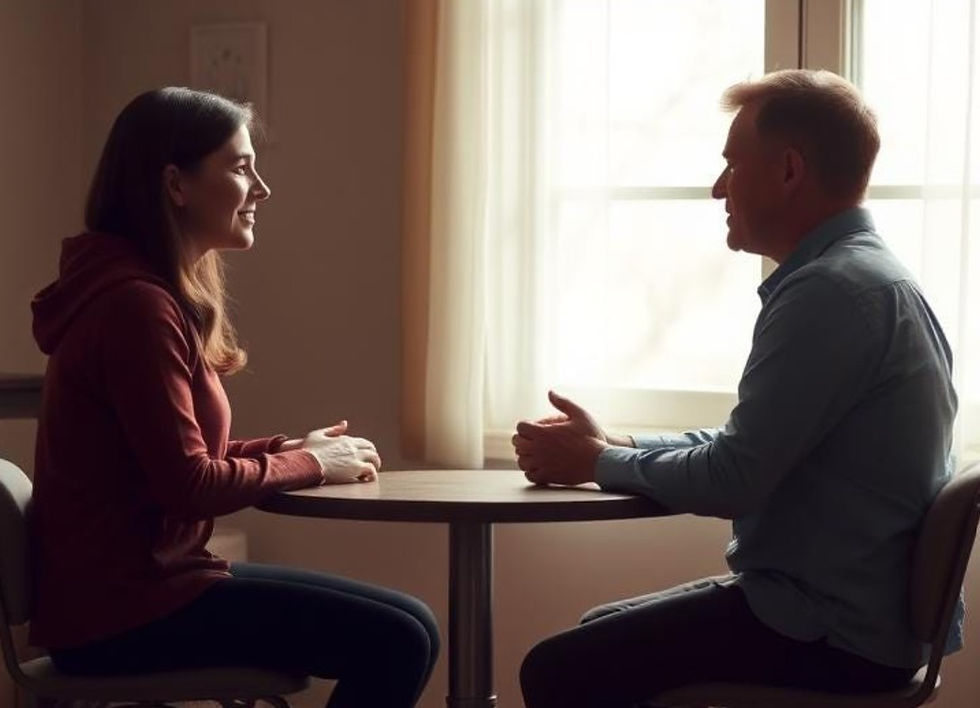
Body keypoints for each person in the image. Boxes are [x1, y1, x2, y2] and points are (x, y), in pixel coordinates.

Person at [513, 69, 962, 707]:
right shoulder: (865, 278)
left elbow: (734, 478)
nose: (718, 187)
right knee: (594, 639)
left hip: (831, 631)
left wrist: (598, 462)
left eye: (732, 164)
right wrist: (619, 442)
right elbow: (745, 445)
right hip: (852, 616)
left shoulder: (831, 293)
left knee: (557, 670)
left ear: (788, 171)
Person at [29, 87, 438, 708]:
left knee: (417, 625)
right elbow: (189, 484)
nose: (261, 189)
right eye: (241, 166)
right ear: (176, 184)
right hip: (122, 615)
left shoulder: (141, 295)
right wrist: (307, 465)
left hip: (147, 590)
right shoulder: (134, 307)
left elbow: (170, 455)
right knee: (398, 640)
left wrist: (293, 450)